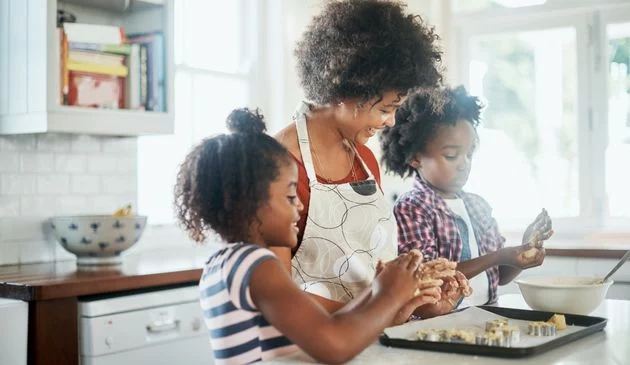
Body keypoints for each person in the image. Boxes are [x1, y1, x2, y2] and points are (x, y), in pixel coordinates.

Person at [174, 108, 441, 364]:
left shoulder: (226, 264)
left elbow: (328, 326)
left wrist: (378, 293)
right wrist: (389, 295)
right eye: (290, 196)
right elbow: (334, 345)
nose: (300, 205)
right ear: (248, 203)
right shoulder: (256, 265)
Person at [273, 0, 444, 316]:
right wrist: (380, 311)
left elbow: (371, 271)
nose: (390, 122)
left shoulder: (364, 159)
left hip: (373, 340)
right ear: (346, 88)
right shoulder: (277, 164)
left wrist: (418, 291)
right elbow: (276, 295)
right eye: (385, 109)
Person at [379, 86, 554, 318]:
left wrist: (521, 253)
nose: (464, 164)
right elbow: (428, 280)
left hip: (487, 316)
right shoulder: (413, 208)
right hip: (438, 325)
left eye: (469, 154)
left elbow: (499, 277)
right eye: (451, 155)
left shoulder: (478, 206)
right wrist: (499, 255)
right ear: (415, 157)